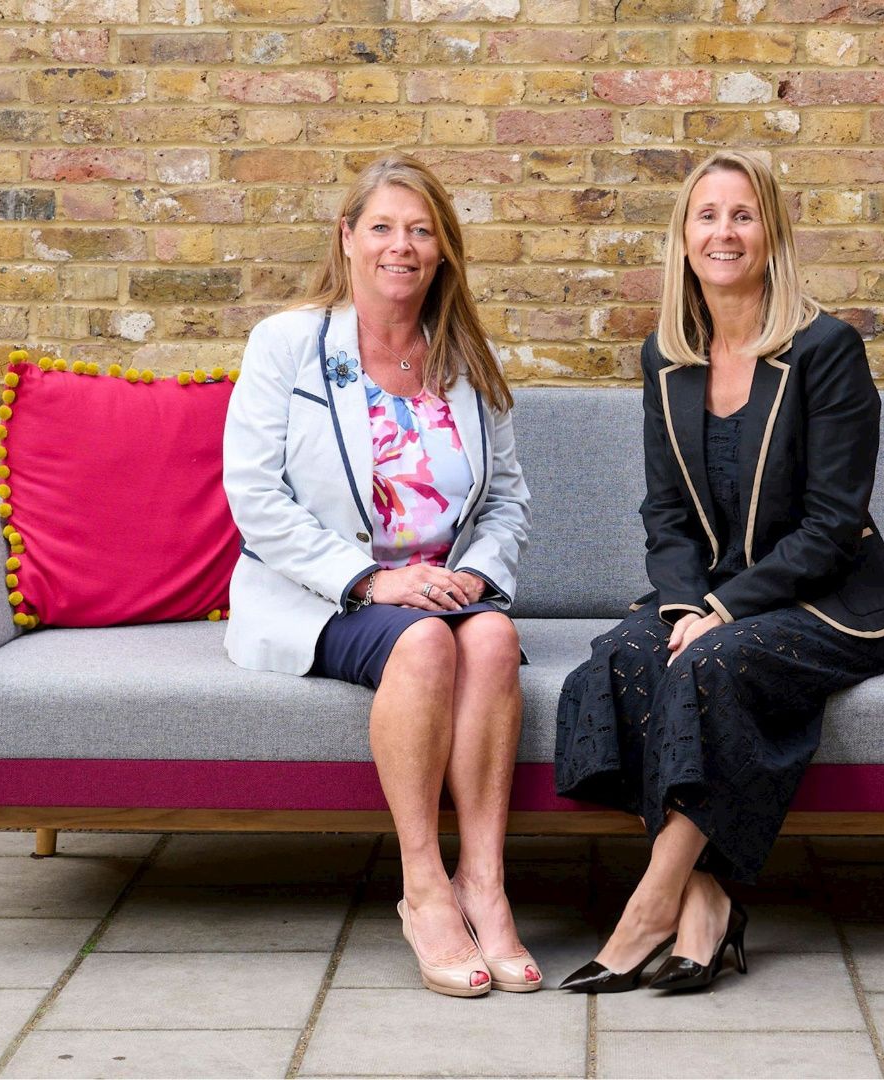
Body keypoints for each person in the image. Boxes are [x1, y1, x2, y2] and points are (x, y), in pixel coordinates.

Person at [555, 150, 884, 993]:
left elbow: (833, 524)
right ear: (682, 238)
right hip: (711, 595)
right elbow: (666, 512)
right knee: (622, 656)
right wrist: (686, 604)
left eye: (742, 214)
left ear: (771, 232)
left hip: (828, 604)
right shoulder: (667, 357)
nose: (724, 232)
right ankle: (707, 901)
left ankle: (649, 907)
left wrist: (721, 608)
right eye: (707, 215)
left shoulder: (826, 350)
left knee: (708, 663)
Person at [223, 155, 539, 997]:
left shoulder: (467, 355)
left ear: (442, 250)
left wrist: (474, 574)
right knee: (427, 645)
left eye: (421, 230)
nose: (402, 246)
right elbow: (254, 497)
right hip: (320, 593)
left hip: (442, 588)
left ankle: (486, 882)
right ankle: (425, 886)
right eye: (383, 227)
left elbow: (506, 499)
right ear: (348, 238)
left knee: (496, 636)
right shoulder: (287, 344)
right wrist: (370, 579)